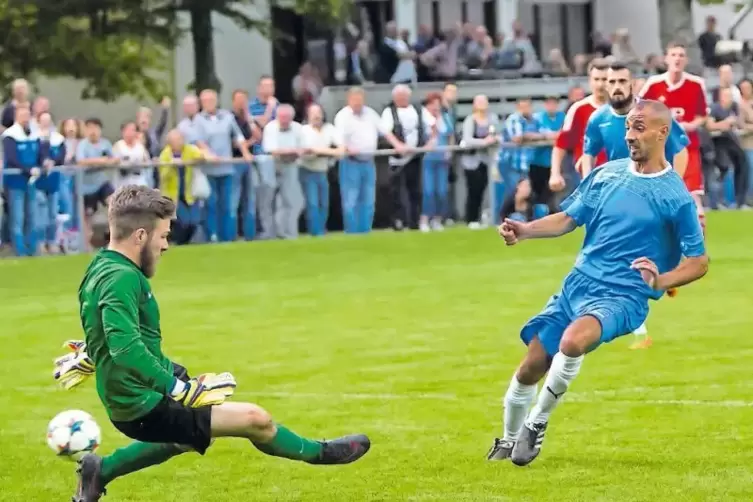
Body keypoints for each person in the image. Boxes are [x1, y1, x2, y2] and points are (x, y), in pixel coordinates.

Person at [56, 185, 370, 501]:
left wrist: (91, 354)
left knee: (194, 431)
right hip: (143, 404)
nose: (165, 245)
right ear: (139, 236)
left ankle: (100, 471)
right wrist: (180, 391)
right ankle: (320, 453)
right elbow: (125, 348)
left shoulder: (102, 267)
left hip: (144, 384)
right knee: (255, 420)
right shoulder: (121, 277)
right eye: (162, 236)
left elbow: (107, 325)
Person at [486, 99, 708, 466]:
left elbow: (699, 261)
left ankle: (536, 424)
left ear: (662, 132)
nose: (630, 136)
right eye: (628, 128)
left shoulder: (676, 197)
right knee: (531, 366)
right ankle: (508, 441)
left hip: (624, 295)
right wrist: (524, 230)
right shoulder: (606, 174)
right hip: (579, 283)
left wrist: (662, 279)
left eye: (638, 128)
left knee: (573, 342)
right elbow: (568, 219)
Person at [581, 63, 691, 349]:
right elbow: (588, 155)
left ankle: (665, 275)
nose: (616, 85)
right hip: (617, 198)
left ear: (632, 84)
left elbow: (680, 148)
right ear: (604, 85)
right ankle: (640, 327)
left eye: (621, 80)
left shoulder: (652, 114)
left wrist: (671, 186)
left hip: (651, 192)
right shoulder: (598, 119)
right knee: (623, 257)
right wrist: (589, 193)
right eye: (610, 80)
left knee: (642, 253)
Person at [638, 42, 708, 232]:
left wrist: (691, 125)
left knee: (693, 195)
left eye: (681, 55)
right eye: (674, 54)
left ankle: (699, 250)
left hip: (688, 148)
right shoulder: (653, 84)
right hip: (660, 152)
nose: (677, 58)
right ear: (666, 58)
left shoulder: (696, 84)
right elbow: (638, 110)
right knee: (657, 198)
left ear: (686, 60)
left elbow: (702, 115)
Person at [548, 61, 609, 193]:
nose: (600, 84)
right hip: (586, 178)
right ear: (590, 81)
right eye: (596, 79)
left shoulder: (624, 108)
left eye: (604, 79)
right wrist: (555, 174)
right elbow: (561, 144)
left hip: (617, 178)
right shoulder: (578, 109)